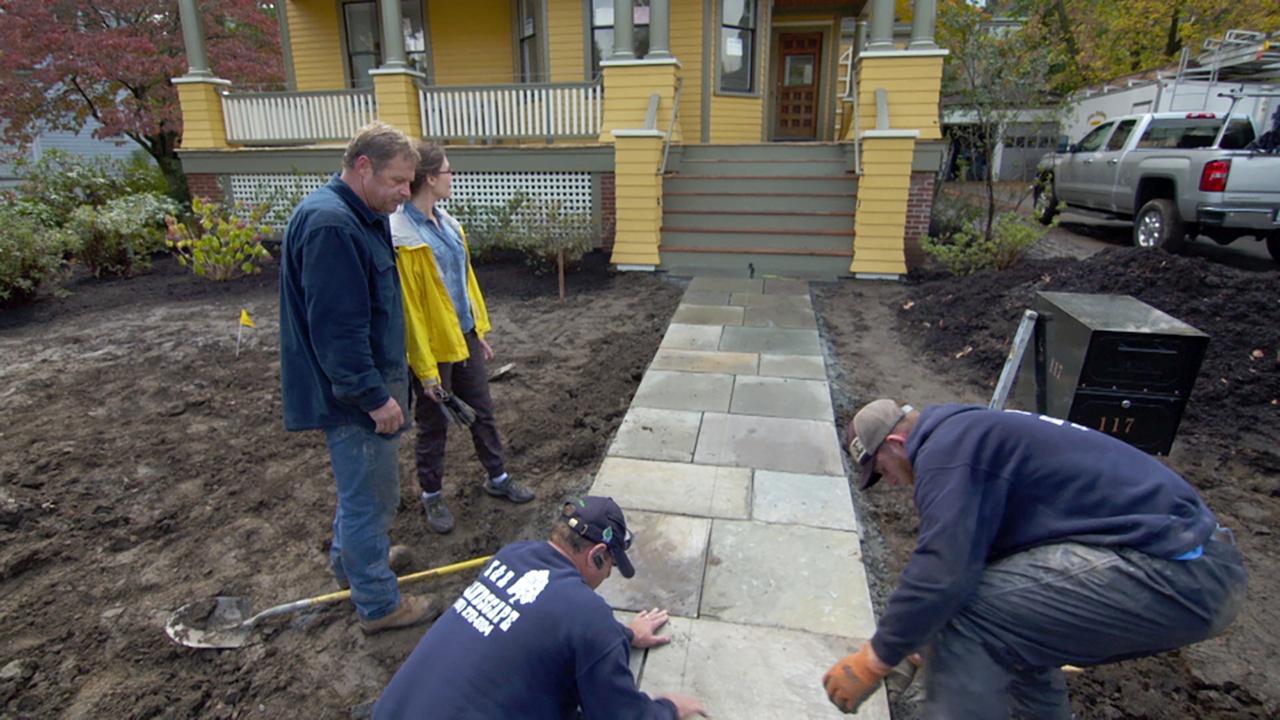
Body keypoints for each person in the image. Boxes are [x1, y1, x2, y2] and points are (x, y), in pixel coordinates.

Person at [823, 399, 1247, 718]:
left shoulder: (948, 452)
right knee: (1013, 628)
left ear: (896, 443)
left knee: (970, 612)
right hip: (1190, 562)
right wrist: (915, 643)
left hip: (1175, 570)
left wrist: (876, 657)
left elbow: (943, 572)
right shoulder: (970, 434)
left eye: (882, 471)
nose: (890, 483)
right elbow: (982, 567)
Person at [279, 121, 434, 634]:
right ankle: (377, 604)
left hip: (365, 385)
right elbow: (338, 330)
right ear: (362, 167)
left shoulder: (358, 213)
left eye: (410, 183)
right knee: (371, 497)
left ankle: (355, 566)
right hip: (356, 398)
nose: (404, 194)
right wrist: (374, 398)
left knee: (361, 493)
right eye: (396, 181)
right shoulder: (334, 226)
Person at [372, 496, 708, 719]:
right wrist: (668, 708)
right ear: (598, 555)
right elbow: (619, 715)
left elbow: (536, 617)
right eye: (610, 568)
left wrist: (622, 636)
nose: (607, 576)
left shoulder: (511, 556)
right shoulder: (587, 614)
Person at [389, 141, 533, 535]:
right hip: (433, 347)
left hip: (463, 337)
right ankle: (432, 495)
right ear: (431, 178)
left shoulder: (448, 224)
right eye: (448, 171)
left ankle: (497, 477)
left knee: (482, 411)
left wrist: (477, 331)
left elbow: (464, 281)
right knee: (434, 422)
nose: (453, 177)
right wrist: (425, 369)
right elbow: (411, 310)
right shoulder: (402, 237)